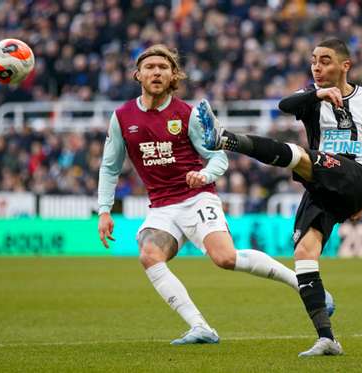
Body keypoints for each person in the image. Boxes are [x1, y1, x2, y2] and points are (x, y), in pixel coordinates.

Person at [97, 44, 334, 345]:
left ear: (173, 76)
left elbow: (219, 158)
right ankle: (200, 328)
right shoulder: (122, 117)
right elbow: (109, 166)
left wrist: (204, 175)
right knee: (149, 255)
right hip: (161, 206)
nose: (156, 71)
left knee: (225, 258)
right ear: (138, 74)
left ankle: (301, 284)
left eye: (163, 67)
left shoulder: (189, 114)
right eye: (149, 67)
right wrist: (104, 210)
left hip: (197, 197)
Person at [199, 38, 362, 356]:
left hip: (359, 176)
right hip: (322, 182)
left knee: (302, 156)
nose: (317, 66)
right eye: (314, 60)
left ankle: (226, 139)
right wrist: (316, 94)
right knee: (304, 252)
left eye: (326, 60)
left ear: (346, 65)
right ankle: (327, 338)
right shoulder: (310, 99)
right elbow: (284, 106)